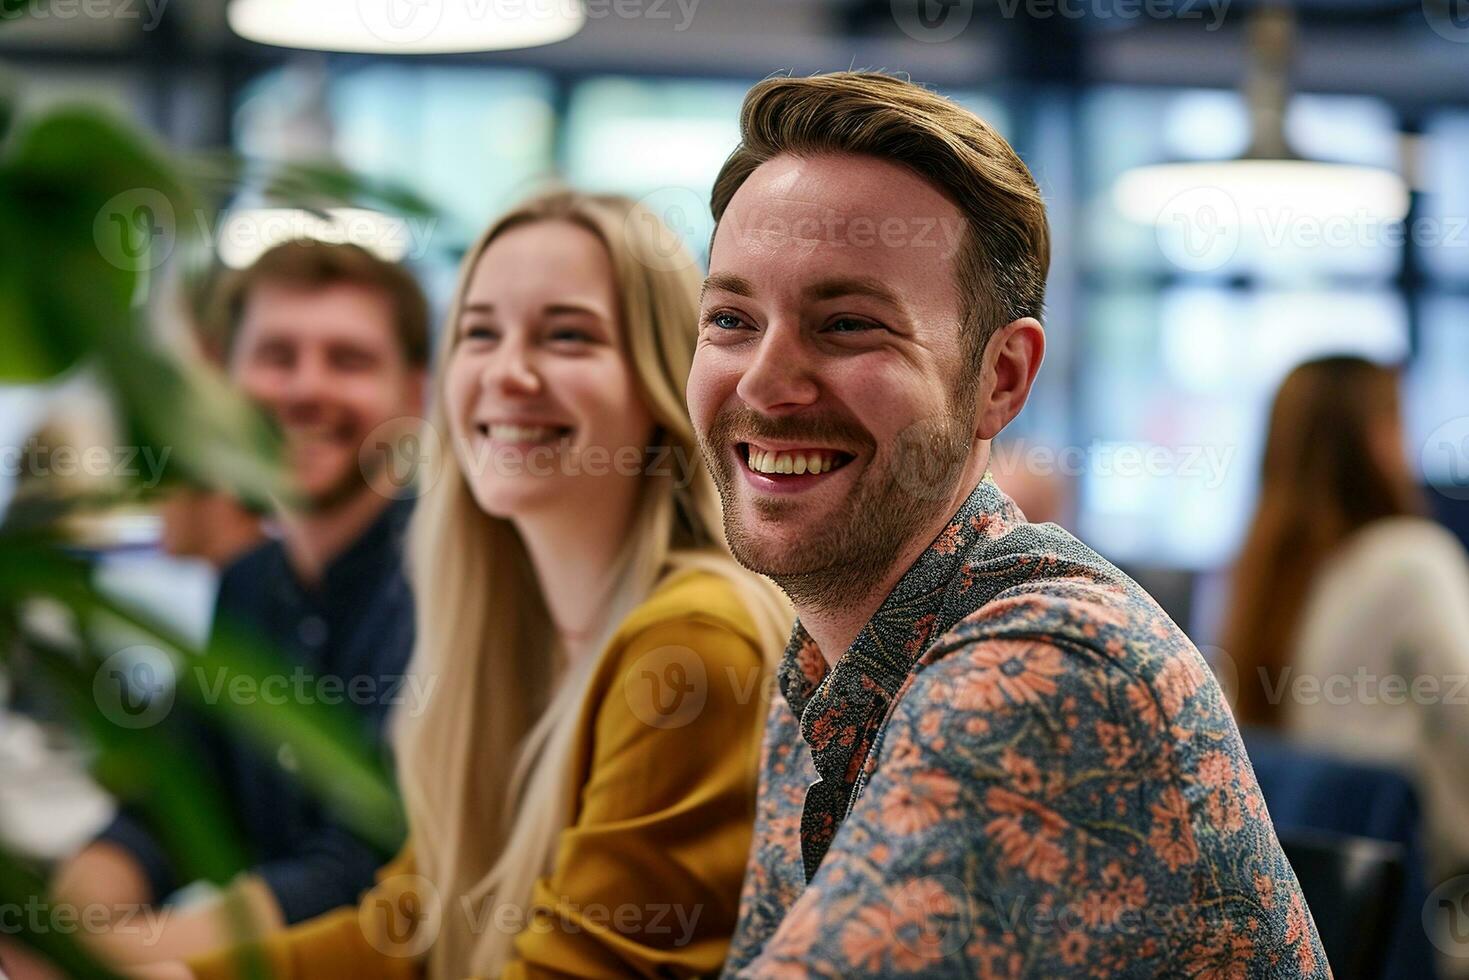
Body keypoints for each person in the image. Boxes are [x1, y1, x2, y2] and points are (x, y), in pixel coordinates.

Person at [688, 72, 1328, 976]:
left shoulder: (1056, 670)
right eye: (730, 319)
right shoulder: (821, 677)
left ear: (1001, 380)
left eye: (847, 325)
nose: (762, 381)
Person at [150, 190, 792, 979]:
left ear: (661, 383)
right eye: (480, 332)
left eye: (566, 336)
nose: (508, 373)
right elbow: (413, 921)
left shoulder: (693, 637)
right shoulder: (512, 634)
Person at [48, 240, 431, 967]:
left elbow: (365, 867)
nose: (304, 389)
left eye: (348, 359)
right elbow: (173, 796)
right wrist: (63, 923)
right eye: (277, 356)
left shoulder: (450, 589)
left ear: (413, 393)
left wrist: (116, 952)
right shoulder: (251, 581)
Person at [1223, 356, 1469, 885]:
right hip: (1425, 906)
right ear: (1373, 439)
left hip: (1313, 904)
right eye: (1396, 422)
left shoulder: (1261, 577)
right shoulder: (1411, 559)